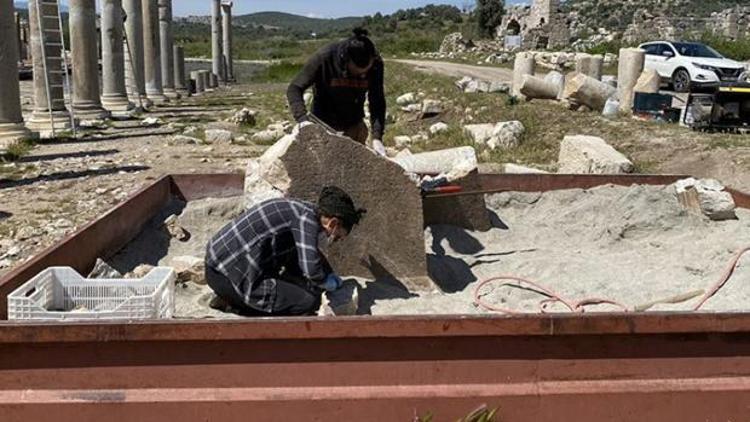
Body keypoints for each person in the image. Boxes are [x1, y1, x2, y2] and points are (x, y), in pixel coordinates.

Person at [204, 186, 366, 316]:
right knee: (307, 302)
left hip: (217, 265)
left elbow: (305, 253)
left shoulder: (302, 210)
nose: (334, 239)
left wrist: (327, 273)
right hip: (228, 275)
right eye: (337, 236)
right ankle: (237, 305)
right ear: (333, 223)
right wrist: (327, 282)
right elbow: (311, 270)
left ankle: (231, 299)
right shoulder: (306, 221)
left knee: (299, 284)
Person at [287, 28, 387, 156]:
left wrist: (377, 138)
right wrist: (303, 120)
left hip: (354, 125)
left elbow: (377, 100)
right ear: (345, 61)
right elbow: (294, 88)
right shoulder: (324, 58)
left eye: (366, 72)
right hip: (323, 126)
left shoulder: (376, 63)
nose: (363, 76)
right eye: (358, 72)